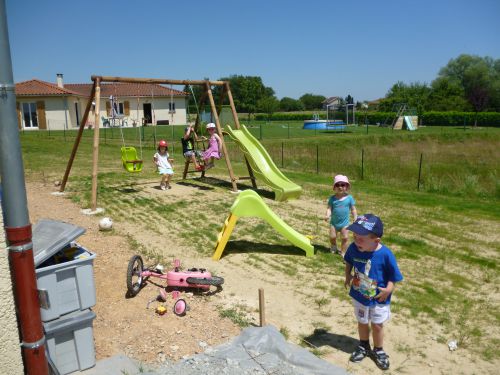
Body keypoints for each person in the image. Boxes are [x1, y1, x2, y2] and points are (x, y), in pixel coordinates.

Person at [344, 214, 403, 370]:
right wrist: (347, 276)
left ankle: (378, 350)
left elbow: (393, 276)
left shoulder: (385, 254)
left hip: (379, 298)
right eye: (354, 236)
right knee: (362, 321)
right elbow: (349, 261)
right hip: (359, 295)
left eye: (361, 238)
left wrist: (389, 289)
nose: (356, 241)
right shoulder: (353, 248)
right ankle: (364, 345)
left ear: (376, 240)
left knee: (377, 325)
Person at [324, 175, 357, 256]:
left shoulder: (349, 198)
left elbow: (353, 209)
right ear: (334, 187)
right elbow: (329, 208)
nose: (340, 187)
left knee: (345, 238)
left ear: (347, 187)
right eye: (337, 185)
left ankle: (343, 251)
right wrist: (327, 215)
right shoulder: (332, 199)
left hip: (344, 224)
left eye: (343, 185)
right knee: (332, 237)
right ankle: (334, 246)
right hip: (334, 223)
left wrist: (355, 217)